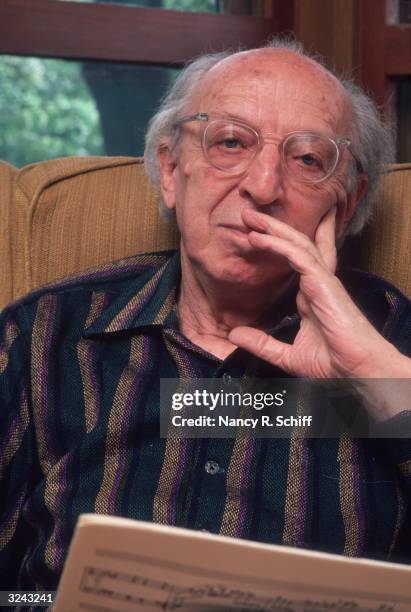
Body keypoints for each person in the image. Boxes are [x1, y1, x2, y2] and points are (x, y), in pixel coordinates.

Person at [0, 38, 410, 591]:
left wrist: (374, 379)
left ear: (348, 200)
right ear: (171, 171)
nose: (263, 187)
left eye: (308, 159)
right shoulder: (44, 335)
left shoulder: (396, 343)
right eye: (231, 142)